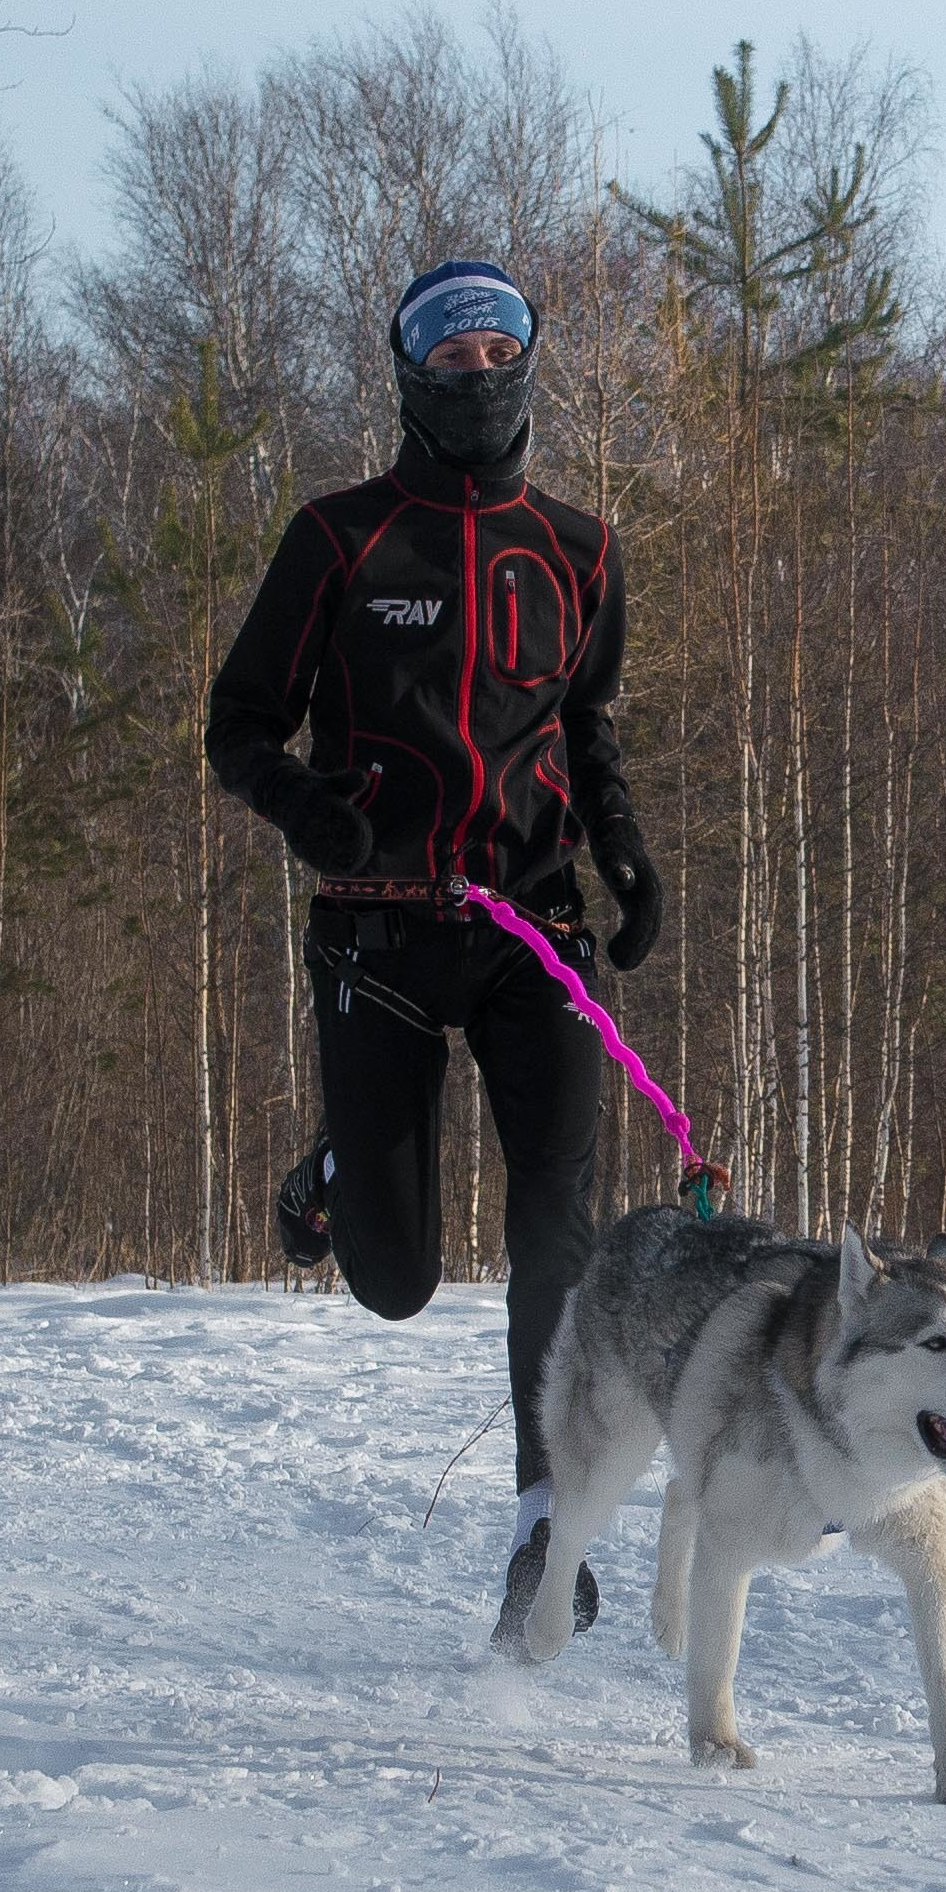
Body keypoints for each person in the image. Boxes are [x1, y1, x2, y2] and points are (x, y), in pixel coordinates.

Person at [205, 258, 662, 1656]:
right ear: (410, 374)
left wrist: (627, 853)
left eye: (497, 346)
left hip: (535, 931)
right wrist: (308, 811)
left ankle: (547, 1528)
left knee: (558, 1238)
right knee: (396, 1278)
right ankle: (348, 1169)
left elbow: (586, 733)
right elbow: (237, 725)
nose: (475, 371)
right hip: (378, 930)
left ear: (528, 365)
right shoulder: (341, 538)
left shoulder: (580, 549)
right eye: (446, 352)